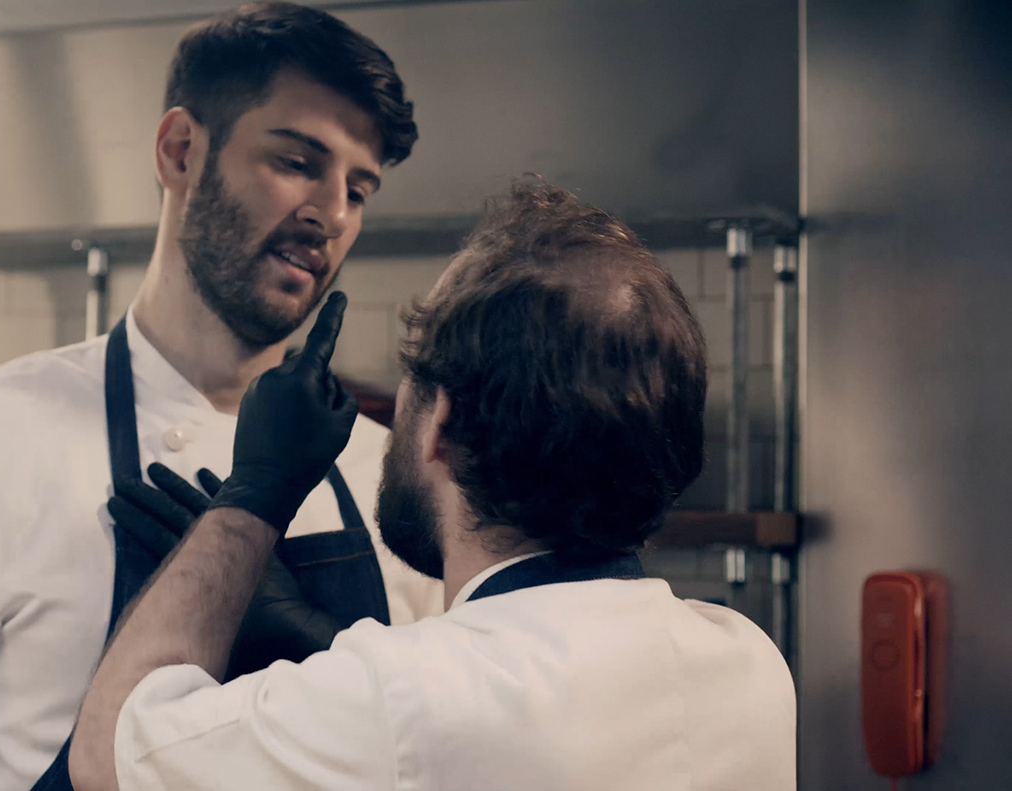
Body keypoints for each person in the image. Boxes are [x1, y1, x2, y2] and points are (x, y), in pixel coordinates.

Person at [0, 4, 443, 790]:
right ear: (181, 151)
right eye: (298, 162)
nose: (330, 214)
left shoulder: (382, 477)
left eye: (359, 191)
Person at [68, 181, 798, 791]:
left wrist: (255, 493)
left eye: (413, 376)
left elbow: (107, 757)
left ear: (440, 421)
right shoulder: (752, 666)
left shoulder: (400, 701)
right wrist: (322, 645)